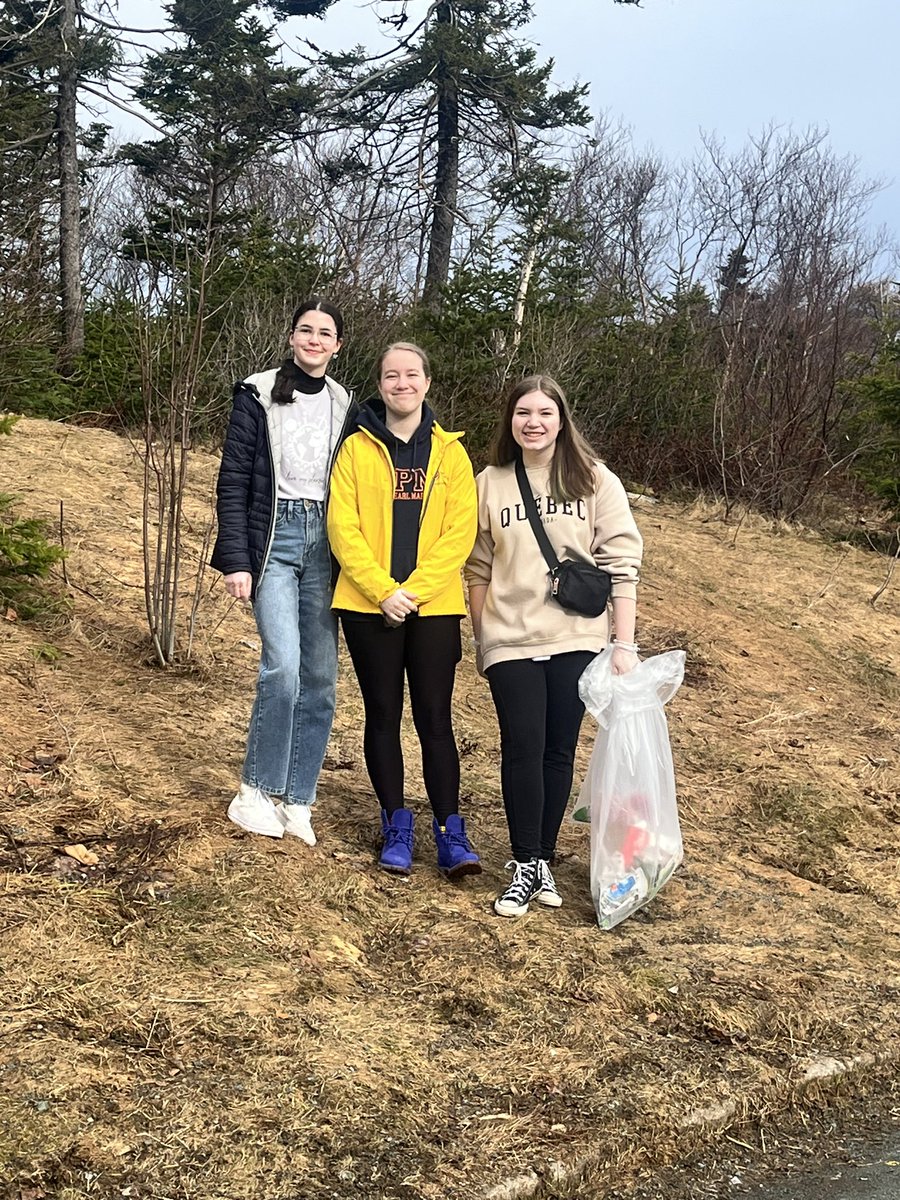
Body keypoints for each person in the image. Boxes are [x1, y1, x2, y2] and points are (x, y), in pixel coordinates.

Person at [465, 375, 643, 917]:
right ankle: (523, 864)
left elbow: (621, 566)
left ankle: (541, 860)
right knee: (522, 743)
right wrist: (482, 632)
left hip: (576, 636)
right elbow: (475, 566)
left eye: (544, 412)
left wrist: (624, 643)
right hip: (510, 637)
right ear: (510, 420)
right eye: (523, 413)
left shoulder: (593, 480)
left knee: (557, 749)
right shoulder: (488, 483)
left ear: (561, 419)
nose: (533, 422)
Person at [327, 342, 482, 879]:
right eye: (391, 375)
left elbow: (458, 534)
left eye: (411, 374)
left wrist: (412, 592)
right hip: (368, 607)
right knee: (383, 715)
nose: (401, 383)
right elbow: (342, 528)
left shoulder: (451, 453)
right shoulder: (355, 449)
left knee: (435, 718)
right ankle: (395, 823)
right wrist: (381, 592)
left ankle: (449, 831)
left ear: (427, 382)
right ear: (380, 383)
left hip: (434, 608)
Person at [211, 299, 357, 844]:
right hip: (272, 540)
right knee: (284, 668)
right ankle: (254, 790)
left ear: (338, 345)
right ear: (292, 336)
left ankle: (298, 799)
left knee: (321, 679)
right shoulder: (257, 392)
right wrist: (236, 558)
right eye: (305, 330)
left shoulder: (345, 404)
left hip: (327, 546)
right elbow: (233, 479)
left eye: (325, 333)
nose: (314, 340)